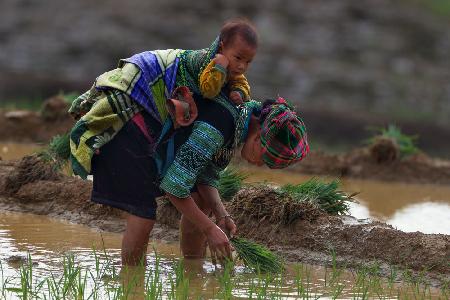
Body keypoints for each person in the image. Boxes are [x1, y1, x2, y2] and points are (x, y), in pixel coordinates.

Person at [68, 21, 309, 267]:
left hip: (156, 115)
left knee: (201, 199)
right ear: (258, 136)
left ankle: (192, 268)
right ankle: (131, 283)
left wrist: (221, 214)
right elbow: (174, 185)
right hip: (136, 110)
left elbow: (204, 175)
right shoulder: (222, 123)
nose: (260, 164)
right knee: (143, 214)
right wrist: (210, 230)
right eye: (263, 157)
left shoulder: (236, 119)